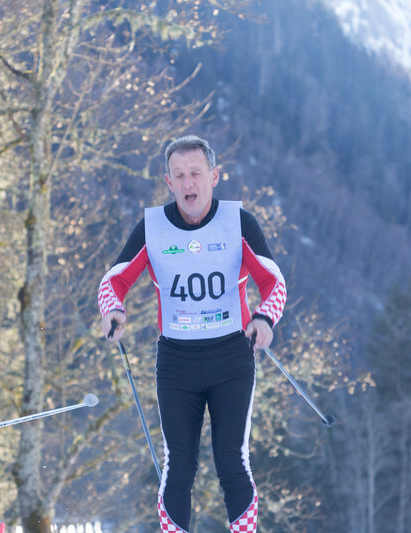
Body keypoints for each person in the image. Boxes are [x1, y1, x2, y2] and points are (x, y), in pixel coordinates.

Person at [98, 135, 286, 533]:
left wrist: (264, 318)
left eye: (196, 173)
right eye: (179, 175)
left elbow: (274, 281)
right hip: (176, 361)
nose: (188, 183)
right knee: (178, 463)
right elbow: (113, 281)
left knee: (231, 460)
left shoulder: (239, 223)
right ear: (168, 182)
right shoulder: (152, 228)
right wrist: (113, 309)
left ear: (214, 176)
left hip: (231, 357)